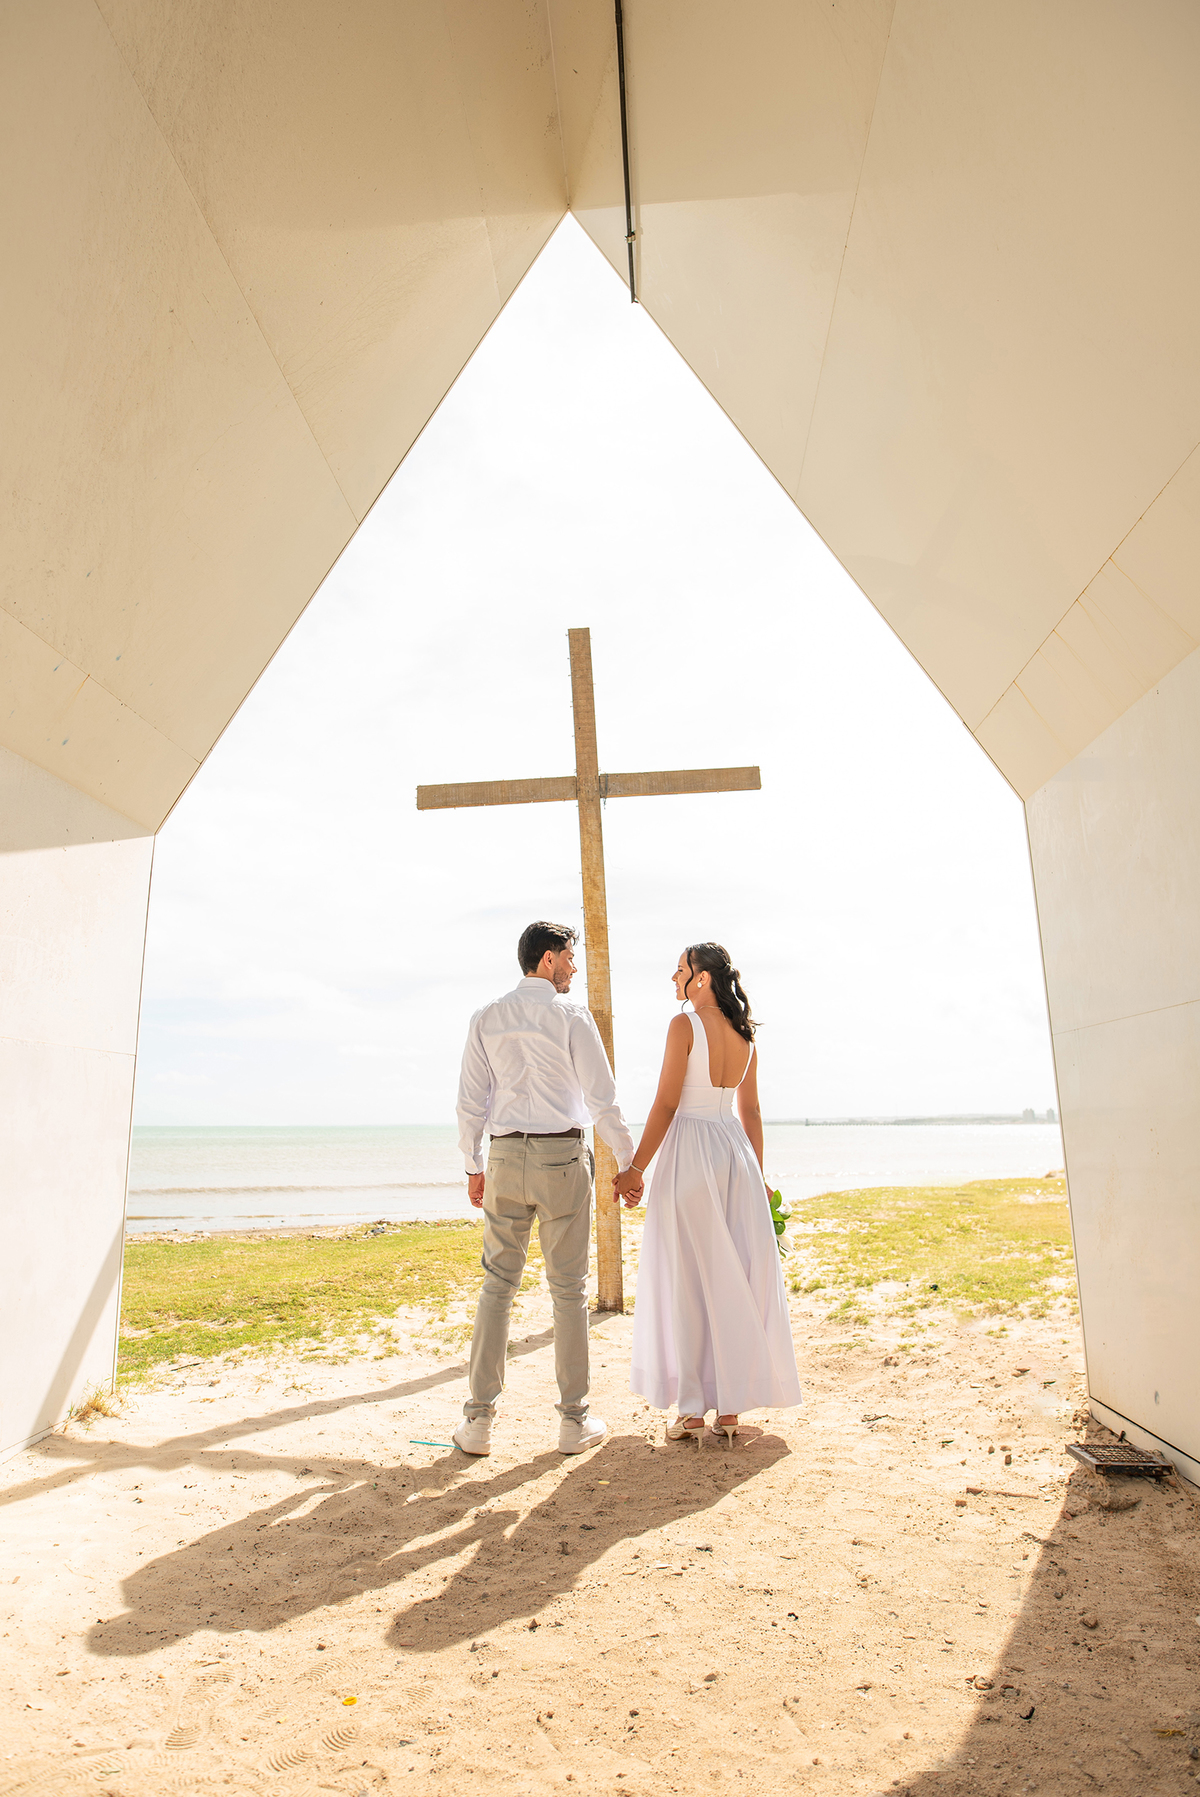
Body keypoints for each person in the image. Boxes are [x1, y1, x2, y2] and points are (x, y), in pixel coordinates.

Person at [454, 920, 637, 1457]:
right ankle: (573, 1422)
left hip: (505, 1157)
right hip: (562, 1159)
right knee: (569, 1290)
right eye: (569, 958)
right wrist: (628, 1161)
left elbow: (470, 1101)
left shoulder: (486, 1017)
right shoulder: (572, 1015)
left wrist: (473, 1165)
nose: (574, 968)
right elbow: (602, 1099)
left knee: (497, 1285)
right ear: (548, 959)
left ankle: (478, 1422)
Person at [617, 942, 801, 1443]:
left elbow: (665, 1104)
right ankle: (730, 1408)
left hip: (691, 1152)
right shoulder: (745, 1035)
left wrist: (635, 1168)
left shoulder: (684, 1026)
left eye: (679, 969)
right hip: (735, 1156)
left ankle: (693, 1409)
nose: (672, 977)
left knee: (689, 1278)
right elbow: (752, 1112)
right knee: (730, 1276)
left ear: (700, 978)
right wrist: (757, 1176)